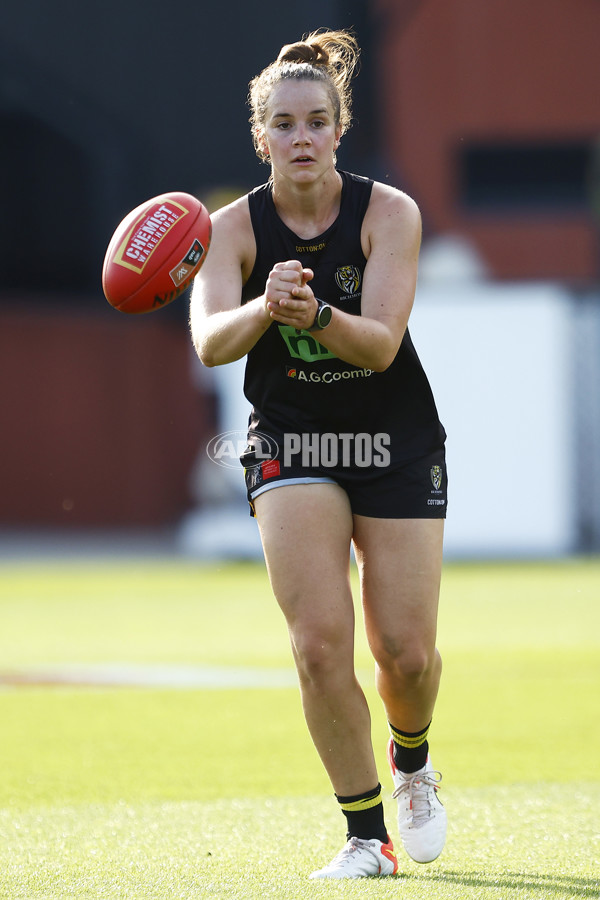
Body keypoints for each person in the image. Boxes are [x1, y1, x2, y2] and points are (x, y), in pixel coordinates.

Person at [190, 28, 448, 880]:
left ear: (340, 128)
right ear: (260, 136)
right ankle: (366, 835)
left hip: (394, 437)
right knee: (317, 643)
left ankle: (412, 762)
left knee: (404, 656)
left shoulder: (390, 213)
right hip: (291, 437)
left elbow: (378, 345)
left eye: (317, 122)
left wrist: (316, 318)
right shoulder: (229, 229)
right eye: (284, 125)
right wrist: (268, 308)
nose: (302, 138)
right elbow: (209, 342)